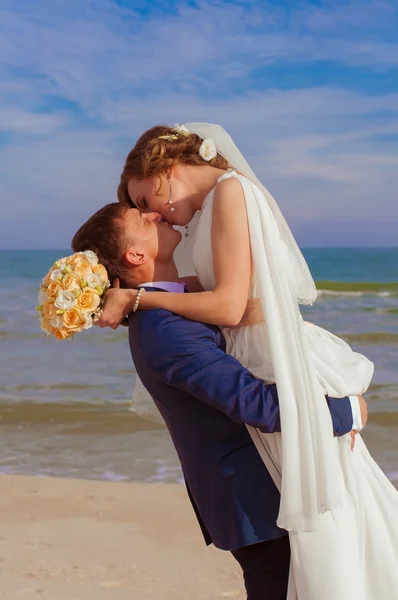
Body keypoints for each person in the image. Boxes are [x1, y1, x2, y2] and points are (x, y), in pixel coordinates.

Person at [97, 123, 398, 599]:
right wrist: (139, 297)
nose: (153, 215)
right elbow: (229, 307)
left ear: (165, 171)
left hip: (266, 366)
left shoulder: (230, 193)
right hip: (257, 413)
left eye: (144, 201)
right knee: (318, 555)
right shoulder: (218, 205)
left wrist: (140, 297)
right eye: (141, 213)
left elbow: (224, 303)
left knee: (331, 544)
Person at [71, 203, 359, 600]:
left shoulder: (172, 304)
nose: (155, 215)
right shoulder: (166, 330)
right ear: (135, 255)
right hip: (254, 501)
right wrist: (348, 412)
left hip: (256, 496)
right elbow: (258, 405)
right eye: (143, 220)